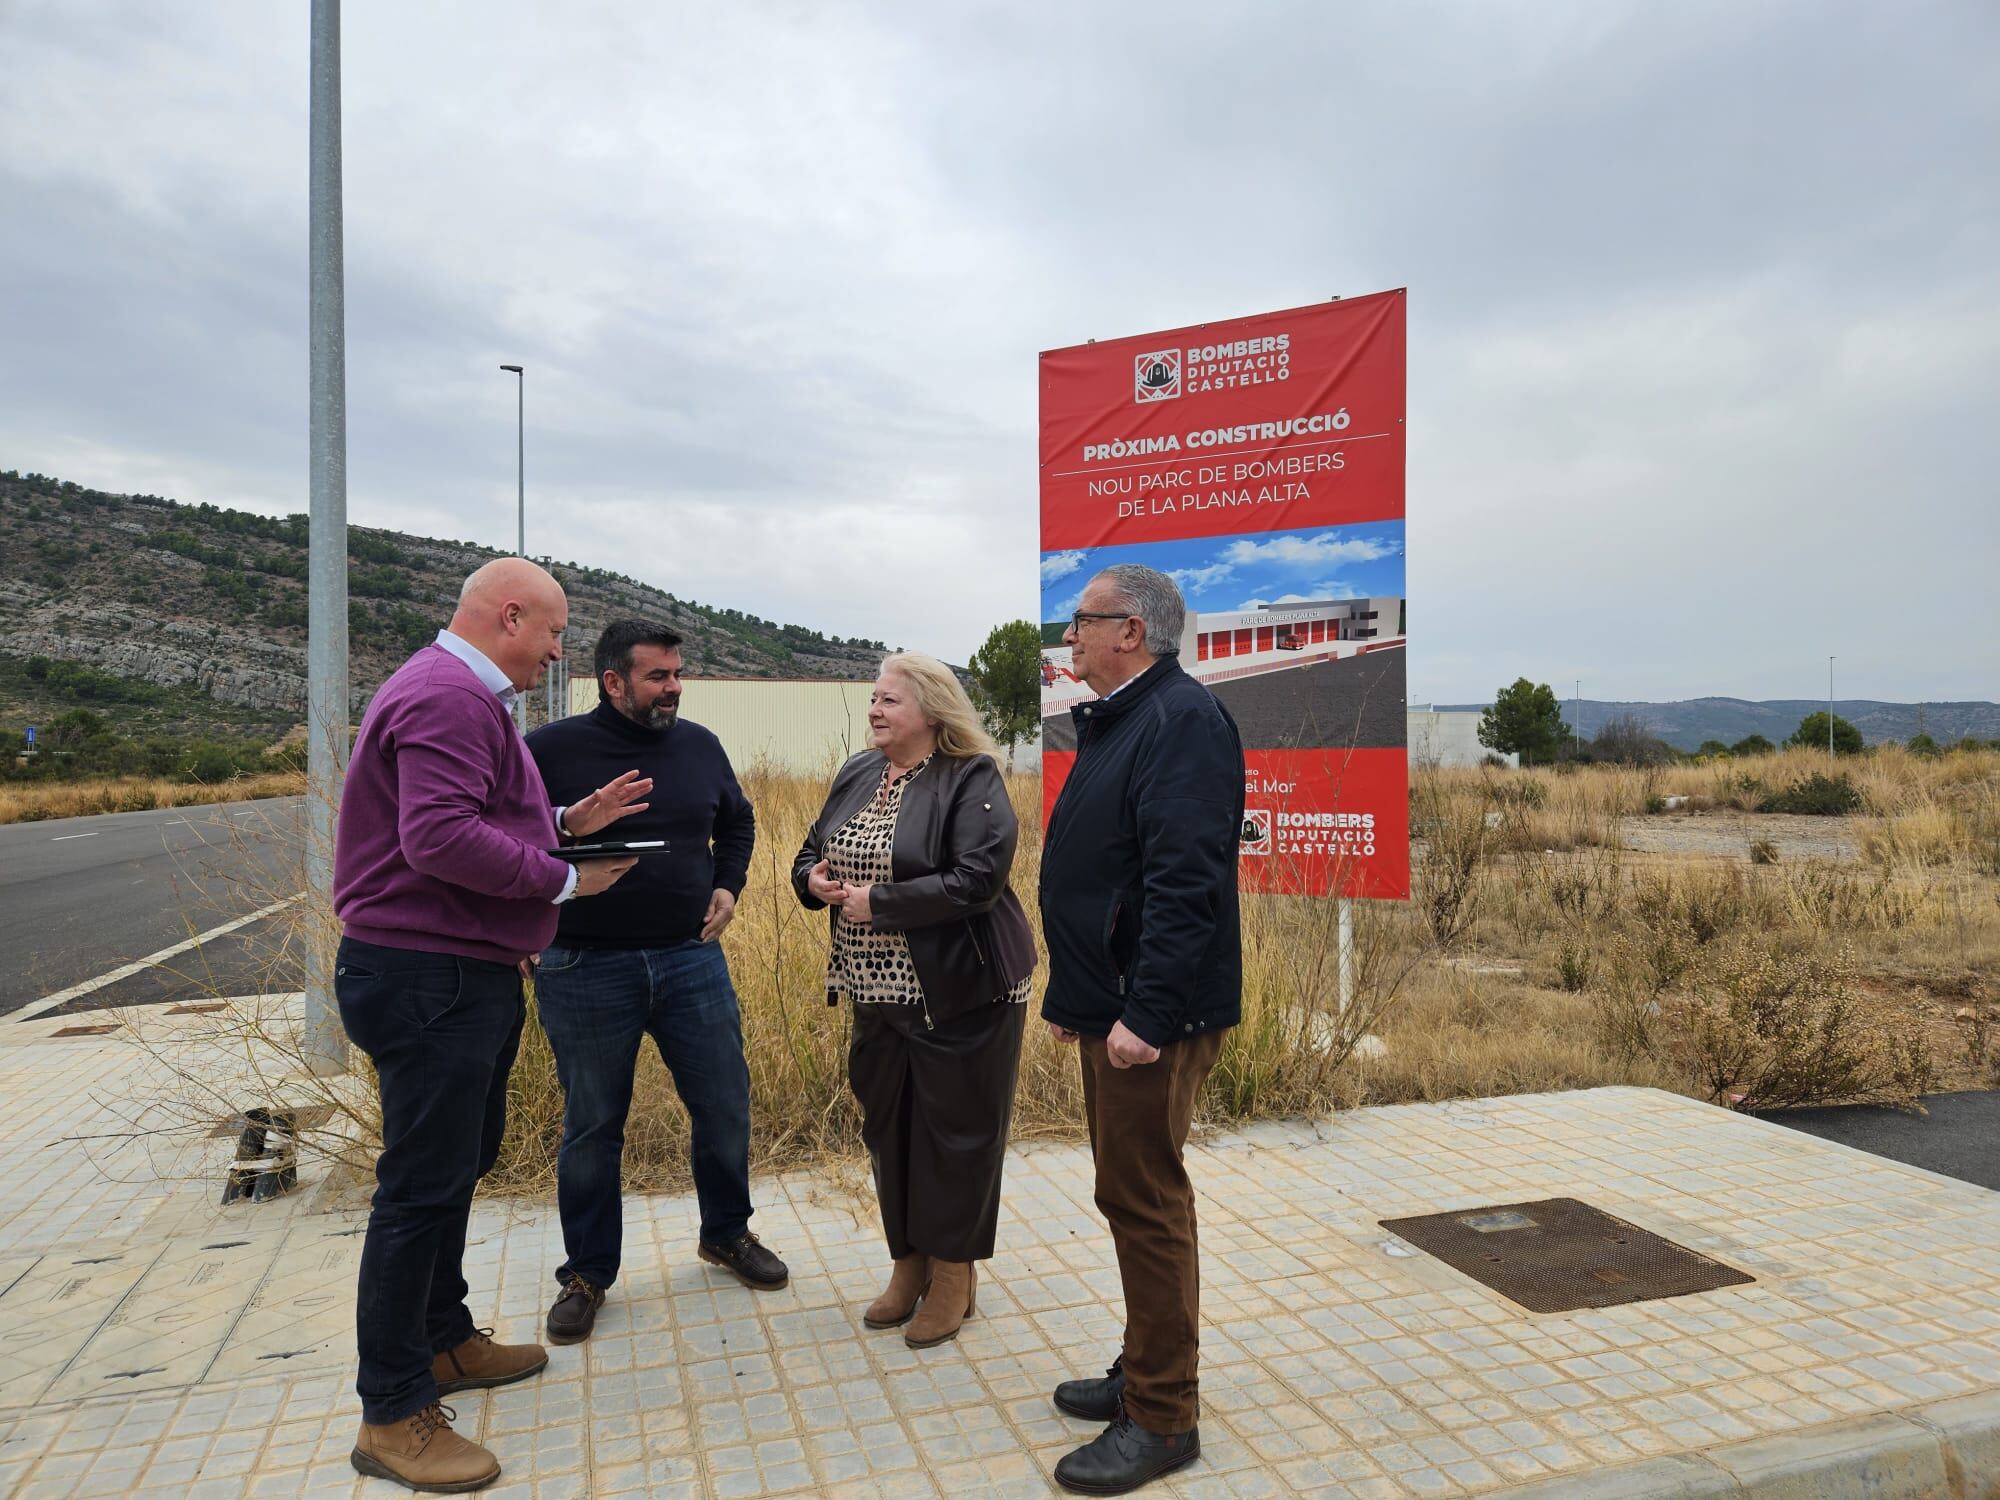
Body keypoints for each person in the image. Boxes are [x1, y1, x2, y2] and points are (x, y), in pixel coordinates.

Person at [333, 558, 650, 1493]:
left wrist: (562, 818)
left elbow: (480, 815)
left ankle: (442, 1340)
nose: (559, 651)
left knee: (454, 1167)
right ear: (509, 617)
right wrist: (563, 879)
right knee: (419, 1190)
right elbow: (434, 838)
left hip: (455, 973)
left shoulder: (462, 699)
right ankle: (392, 1413)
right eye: (553, 633)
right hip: (429, 977)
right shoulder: (447, 698)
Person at [1038, 565, 1245, 1496]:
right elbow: (1104, 874)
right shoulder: (1132, 716)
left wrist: (1145, 1015)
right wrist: (1076, 1004)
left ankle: (1163, 1417)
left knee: (1145, 1201)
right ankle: (1144, 1366)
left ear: (1131, 631)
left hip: (1153, 1014)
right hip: (1116, 1004)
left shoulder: (1181, 722)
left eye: (1079, 623)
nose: (1066, 639)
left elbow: (1182, 884)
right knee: (1131, 1195)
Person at [525, 620, 786, 1345]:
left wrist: (729, 886)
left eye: (677, 674)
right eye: (657, 676)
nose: (674, 687)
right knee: (592, 1124)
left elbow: (738, 822)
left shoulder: (699, 745)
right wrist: (554, 871)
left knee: (724, 1104)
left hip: (689, 958)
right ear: (613, 682)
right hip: (582, 967)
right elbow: (504, 840)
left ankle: (726, 1234)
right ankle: (587, 1273)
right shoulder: (549, 751)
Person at [792, 652, 1038, 1349]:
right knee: (889, 1128)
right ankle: (909, 1264)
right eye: (873, 698)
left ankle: (955, 1276)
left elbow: (977, 880)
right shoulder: (858, 772)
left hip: (962, 990)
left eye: (890, 700)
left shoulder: (973, 776)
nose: (874, 709)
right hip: (874, 990)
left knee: (956, 1136)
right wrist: (813, 880)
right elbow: (811, 851)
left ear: (932, 711)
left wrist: (882, 902)